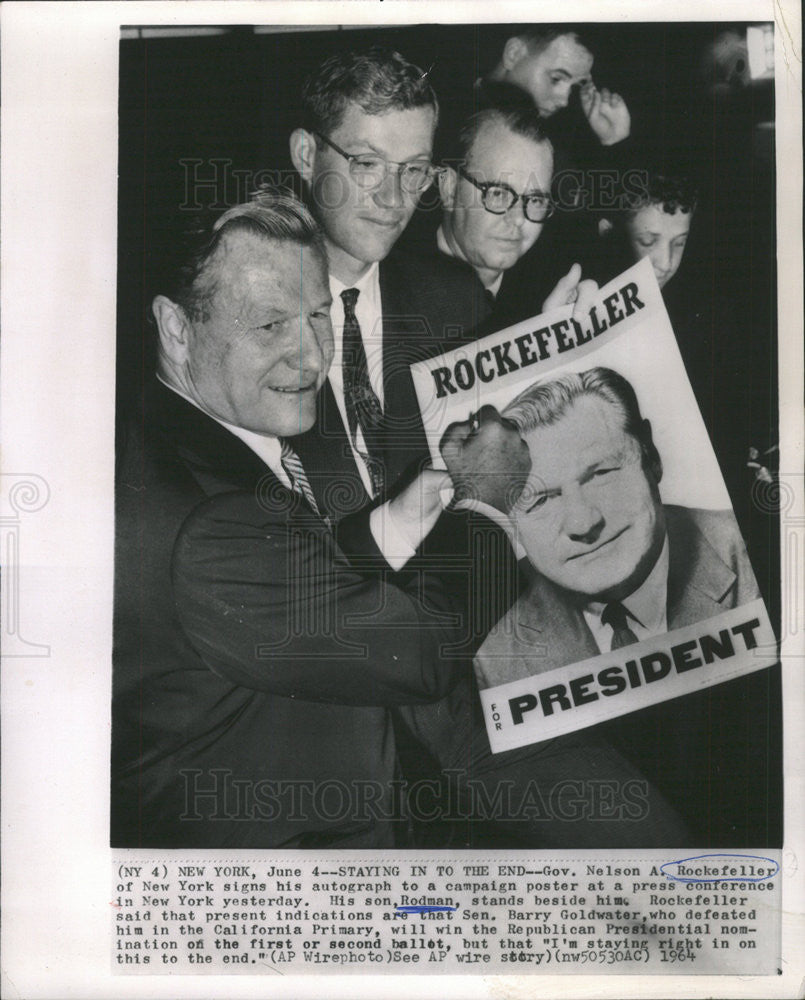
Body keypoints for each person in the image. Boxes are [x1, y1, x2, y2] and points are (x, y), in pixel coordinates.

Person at [112, 191, 474, 848]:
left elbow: (305, 587)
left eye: (317, 316)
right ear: (175, 326)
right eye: (271, 325)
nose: (312, 358)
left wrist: (435, 487)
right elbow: (421, 653)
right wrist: (488, 503)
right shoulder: (211, 524)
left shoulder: (183, 441)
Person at [469, 368, 776, 843]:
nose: (583, 521)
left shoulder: (762, 556)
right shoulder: (500, 656)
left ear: (649, 459)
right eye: (540, 500)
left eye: (601, 474)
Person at [434, 106, 599, 329]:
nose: (519, 219)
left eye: (536, 200)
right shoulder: (386, 289)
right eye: (498, 194)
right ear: (450, 188)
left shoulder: (548, 292)